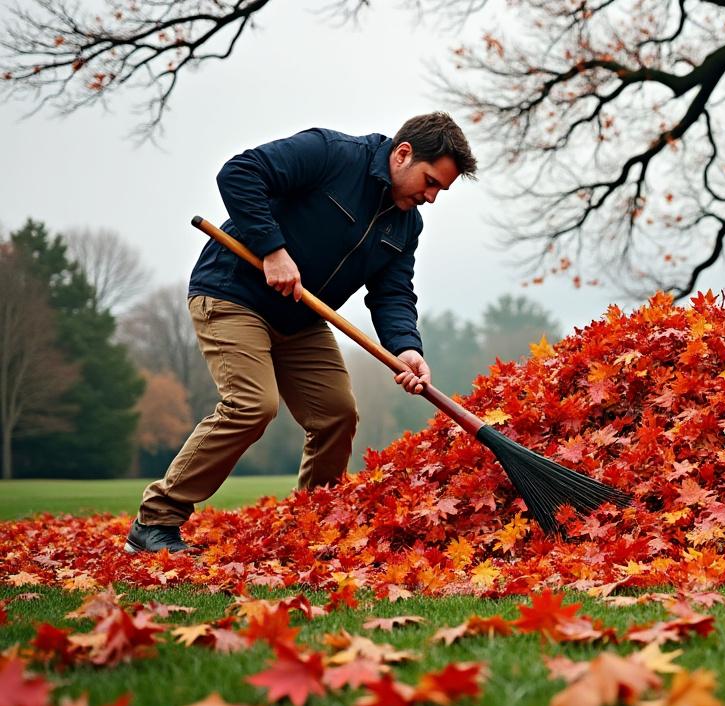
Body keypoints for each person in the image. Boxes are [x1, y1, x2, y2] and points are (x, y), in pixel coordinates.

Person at [126, 113, 477, 554]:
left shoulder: (407, 226)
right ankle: (155, 521)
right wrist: (273, 250)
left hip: (299, 317)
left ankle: (313, 527)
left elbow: (392, 294)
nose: (430, 197)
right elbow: (239, 173)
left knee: (336, 412)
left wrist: (406, 348)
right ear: (403, 153)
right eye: (429, 182)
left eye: (439, 191)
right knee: (253, 404)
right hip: (234, 292)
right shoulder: (331, 153)